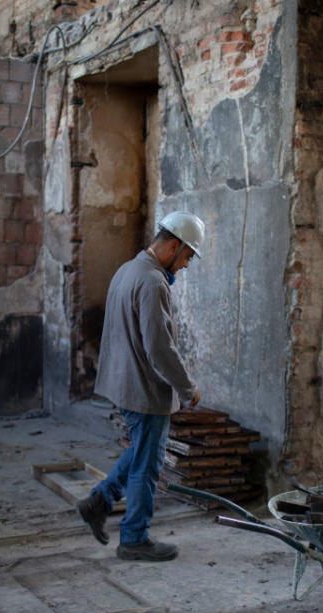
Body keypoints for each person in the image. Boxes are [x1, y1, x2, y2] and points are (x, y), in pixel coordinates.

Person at [76, 211, 204, 562]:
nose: (187, 265)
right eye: (188, 256)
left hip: (124, 382)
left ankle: (99, 501)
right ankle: (133, 539)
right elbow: (160, 349)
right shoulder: (152, 281)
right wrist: (187, 386)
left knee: (142, 451)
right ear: (174, 246)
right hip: (143, 389)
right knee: (148, 463)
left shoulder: (128, 270)